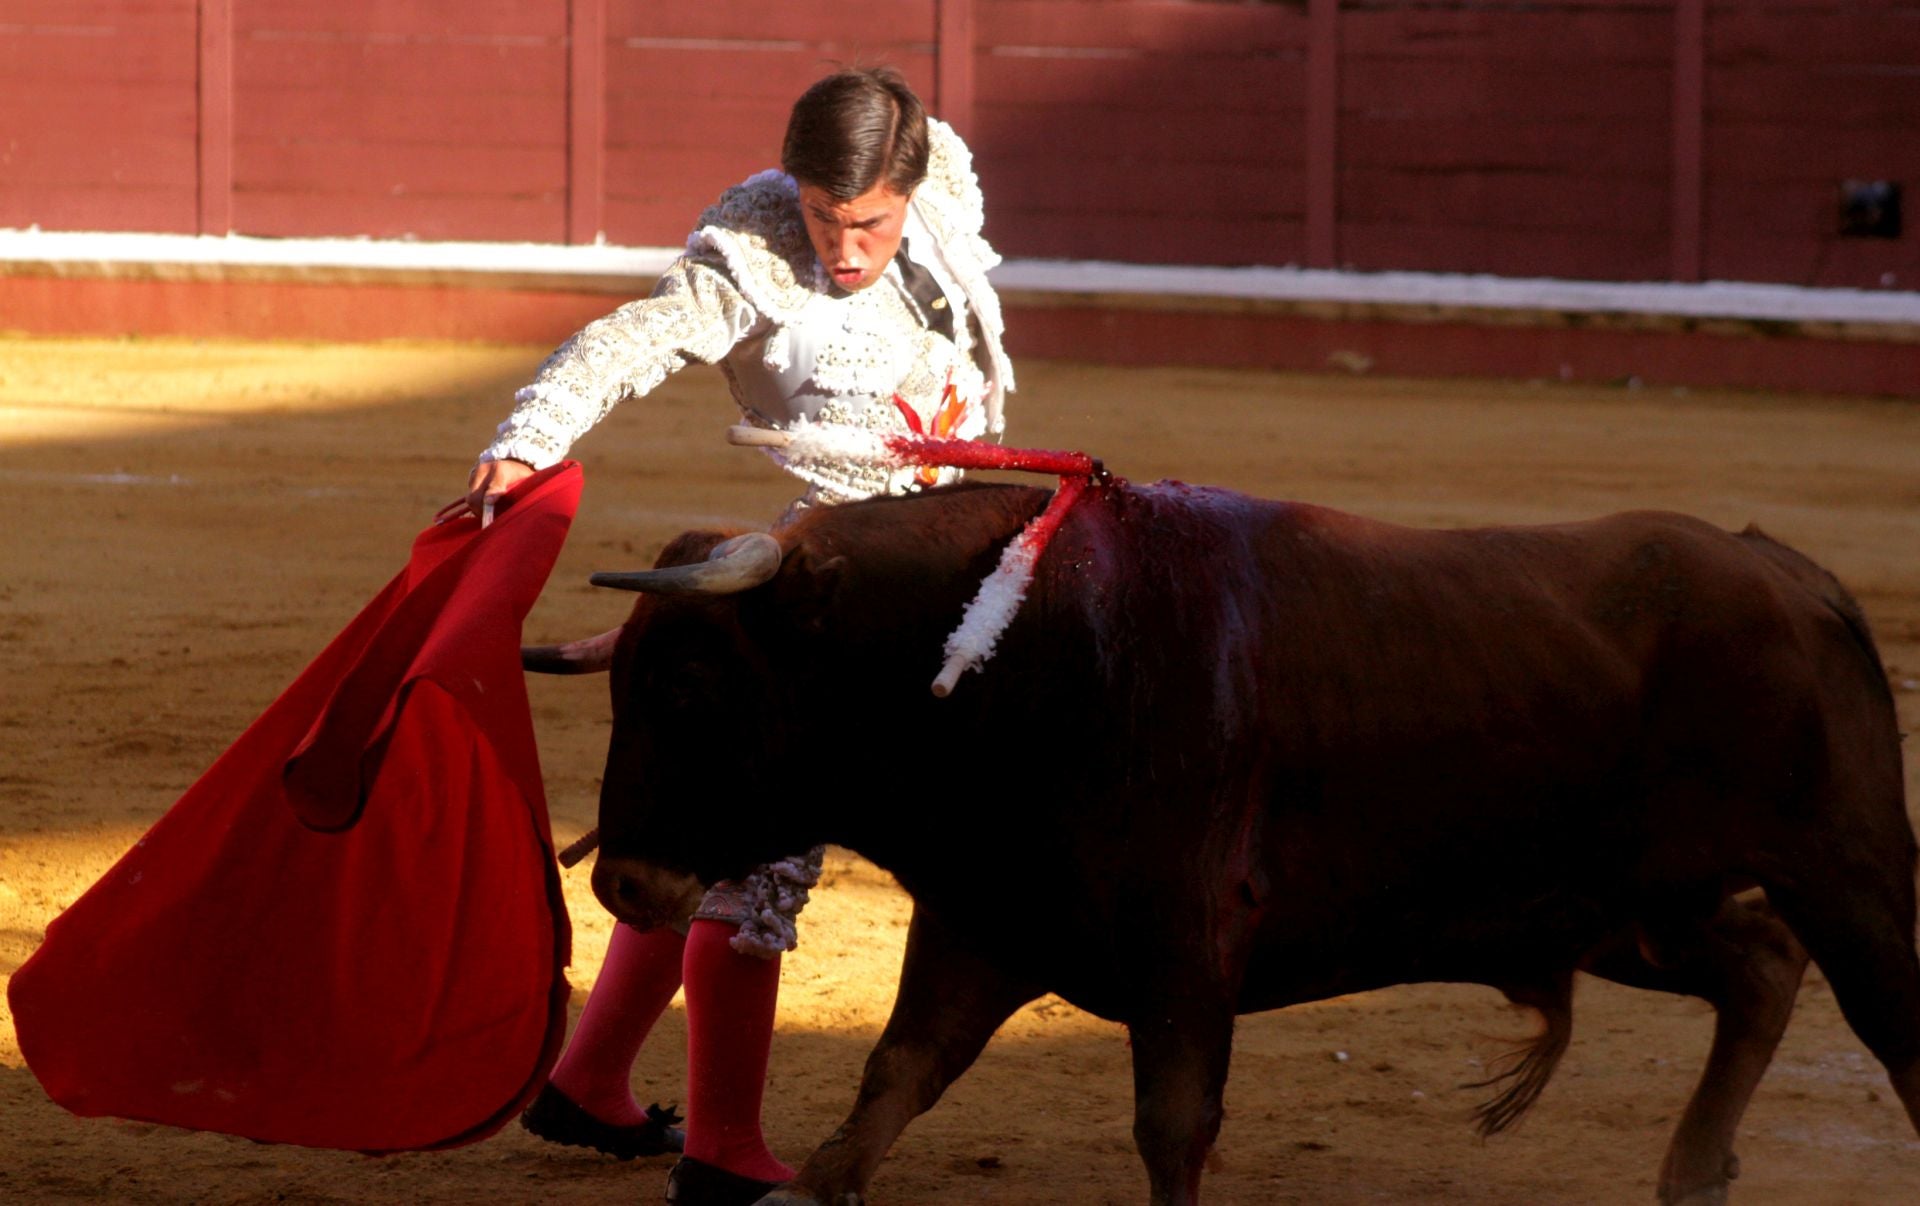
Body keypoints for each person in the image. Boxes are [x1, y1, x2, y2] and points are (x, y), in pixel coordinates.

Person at [444, 67, 1014, 1206]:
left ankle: (590, 1077)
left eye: (868, 222)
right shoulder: (749, 250)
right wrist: (530, 436)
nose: (843, 249)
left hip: (937, 573)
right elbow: (629, 342)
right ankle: (722, 1151)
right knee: (761, 869)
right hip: (804, 591)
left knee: (722, 847)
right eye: (821, 216)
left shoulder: (944, 184)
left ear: (911, 189)